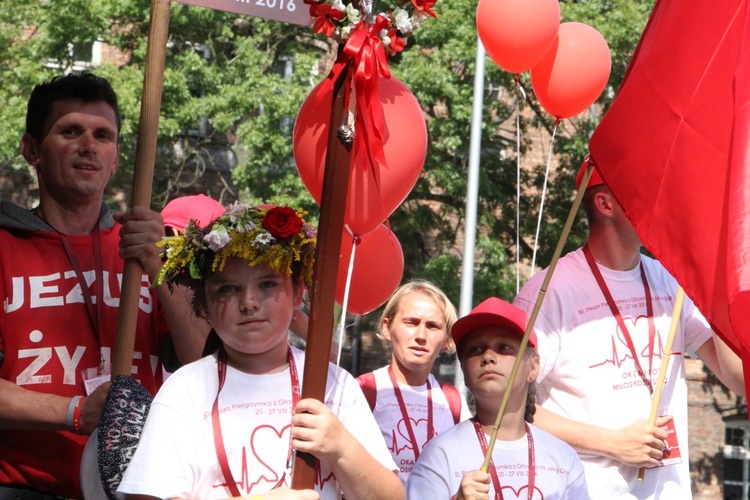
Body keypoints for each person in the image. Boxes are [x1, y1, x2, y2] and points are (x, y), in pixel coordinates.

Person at [0, 72, 206, 499]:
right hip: (25, 489)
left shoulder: (147, 249)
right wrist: (74, 411)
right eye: (70, 131)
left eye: (103, 135)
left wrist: (157, 266)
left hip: (138, 488)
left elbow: (203, 365)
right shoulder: (3, 246)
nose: (88, 146)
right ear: (31, 149)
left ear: (115, 160)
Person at [117, 202, 404, 500]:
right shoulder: (184, 391)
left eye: (267, 284)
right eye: (228, 289)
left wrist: (342, 448)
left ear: (297, 293)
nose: (249, 302)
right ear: (204, 305)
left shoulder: (336, 385)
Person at [512, 159, 746, 499]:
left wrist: (711, 279)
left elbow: (738, 379)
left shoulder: (670, 279)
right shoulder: (549, 292)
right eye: (645, 193)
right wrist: (612, 443)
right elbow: (508, 406)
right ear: (605, 204)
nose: (660, 202)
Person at [406, 297, 588, 499]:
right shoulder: (439, 456)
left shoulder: (563, 458)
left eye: (504, 347)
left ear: (533, 366)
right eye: (475, 349)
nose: (488, 356)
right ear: (464, 371)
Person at [356, 280, 471, 484]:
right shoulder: (363, 390)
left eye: (433, 326)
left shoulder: (454, 401)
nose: (421, 335)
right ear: (387, 328)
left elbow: (466, 469)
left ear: (447, 340)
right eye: (411, 322)